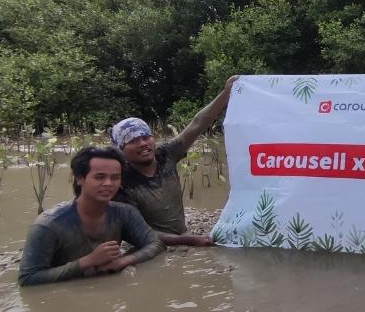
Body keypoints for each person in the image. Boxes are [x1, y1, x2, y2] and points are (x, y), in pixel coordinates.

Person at [112, 76, 239, 246]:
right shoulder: (122, 183)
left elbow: (197, 125)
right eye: (133, 141)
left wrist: (226, 93)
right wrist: (190, 240)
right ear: (121, 149)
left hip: (181, 238)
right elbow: (137, 232)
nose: (142, 144)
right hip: (147, 247)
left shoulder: (165, 154)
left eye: (145, 137)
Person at [18, 147, 165, 286]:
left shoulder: (124, 213)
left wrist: (123, 261)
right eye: (99, 177)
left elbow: (155, 244)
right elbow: (27, 279)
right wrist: (88, 261)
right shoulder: (48, 225)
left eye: (115, 178)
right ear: (79, 178)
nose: (108, 184)